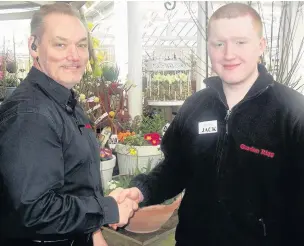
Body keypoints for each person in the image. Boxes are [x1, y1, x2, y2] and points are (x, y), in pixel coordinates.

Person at [113, 3, 304, 246]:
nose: (228, 54)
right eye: (218, 43)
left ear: (261, 46)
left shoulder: (293, 113)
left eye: (240, 42)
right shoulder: (195, 106)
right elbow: (176, 168)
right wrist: (142, 190)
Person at [0, 3, 137, 246]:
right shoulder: (31, 115)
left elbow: (74, 184)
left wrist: (94, 231)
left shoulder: (66, 101)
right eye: (60, 44)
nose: (74, 56)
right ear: (33, 46)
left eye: (81, 45)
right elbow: (36, 211)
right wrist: (107, 209)